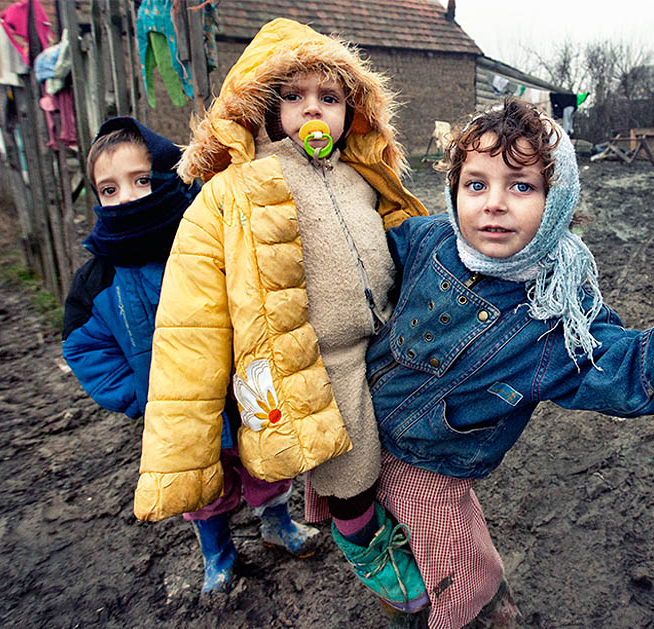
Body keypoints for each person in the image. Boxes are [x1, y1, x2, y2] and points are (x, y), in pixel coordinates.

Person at [361, 98, 654, 628]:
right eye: (476, 184)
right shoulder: (424, 242)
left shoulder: (555, 315)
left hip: (430, 474)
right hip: (352, 431)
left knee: (455, 583)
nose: (493, 203)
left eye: (521, 186)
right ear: (453, 191)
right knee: (368, 544)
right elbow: (352, 264)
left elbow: (632, 372)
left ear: (557, 199)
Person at [132, 18, 430, 613]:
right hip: (309, 365)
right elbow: (190, 323)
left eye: (329, 97)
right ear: (262, 105)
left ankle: (405, 527)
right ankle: (363, 544)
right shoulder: (235, 191)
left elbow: (405, 243)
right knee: (350, 475)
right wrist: (180, 459)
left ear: (353, 109)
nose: (311, 111)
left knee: (407, 455)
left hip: (383, 346)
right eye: (292, 97)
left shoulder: (363, 177)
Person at [61, 117, 319, 598]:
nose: (127, 196)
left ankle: (277, 523)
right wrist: (142, 395)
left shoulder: (206, 237)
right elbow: (82, 345)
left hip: (242, 393)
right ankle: (217, 556)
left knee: (265, 462)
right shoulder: (99, 277)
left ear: (167, 176)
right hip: (178, 412)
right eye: (109, 189)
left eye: (141, 180)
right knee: (204, 486)